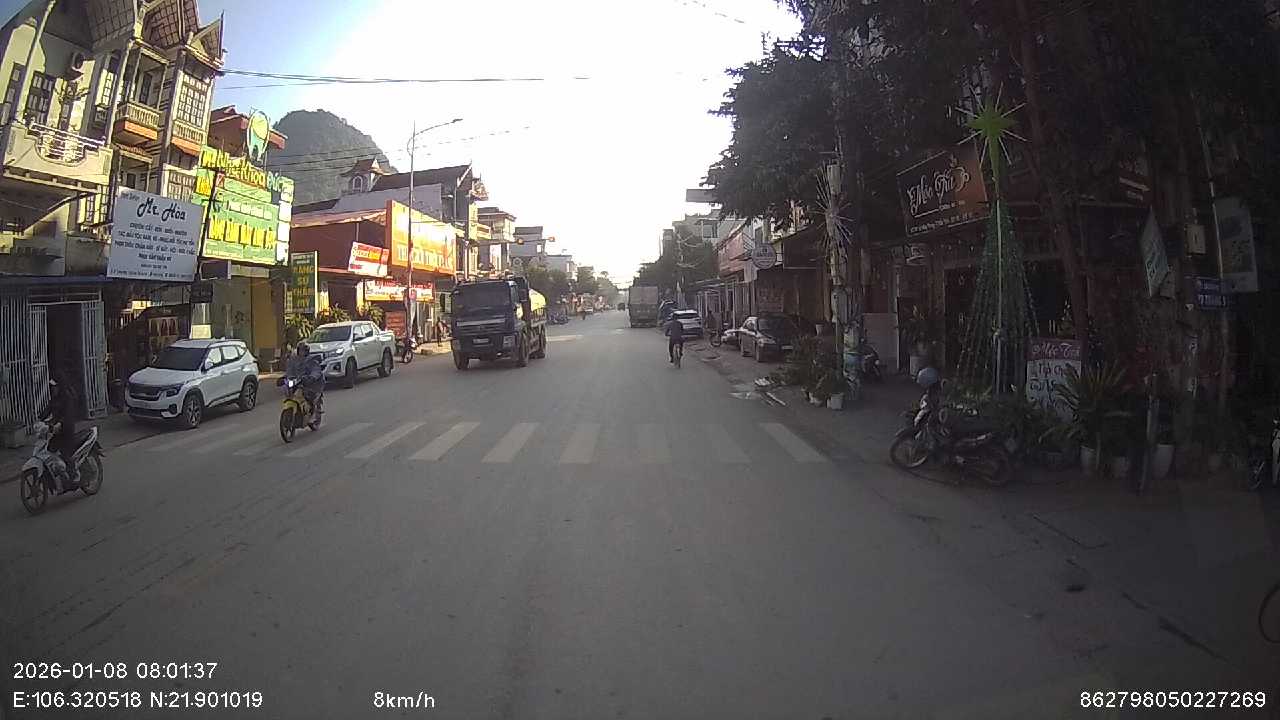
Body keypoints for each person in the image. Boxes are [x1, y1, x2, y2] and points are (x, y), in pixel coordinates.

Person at [39, 375, 78, 489]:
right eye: (52, 387)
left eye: (55, 386)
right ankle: (59, 475)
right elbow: (47, 410)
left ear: (60, 386)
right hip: (56, 431)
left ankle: (74, 476)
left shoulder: (67, 397)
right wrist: (39, 420)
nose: (53, 389)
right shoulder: (54, 399)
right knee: (49, 450)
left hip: (67, 430)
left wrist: (60, 423)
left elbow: (68, 414)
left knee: (65, 453)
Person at [284, 343, 325, 411]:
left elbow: (316, 370)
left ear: (307, 351)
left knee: (312, 397)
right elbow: (289, 370)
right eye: (300, 350)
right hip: (297, 383)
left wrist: (312, 377)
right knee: (288, 390)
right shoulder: (293, 360)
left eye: (304, 350)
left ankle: (314, 410)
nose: (302, 352)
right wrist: (285, 378)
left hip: (310, 384)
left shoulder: (312, 360)